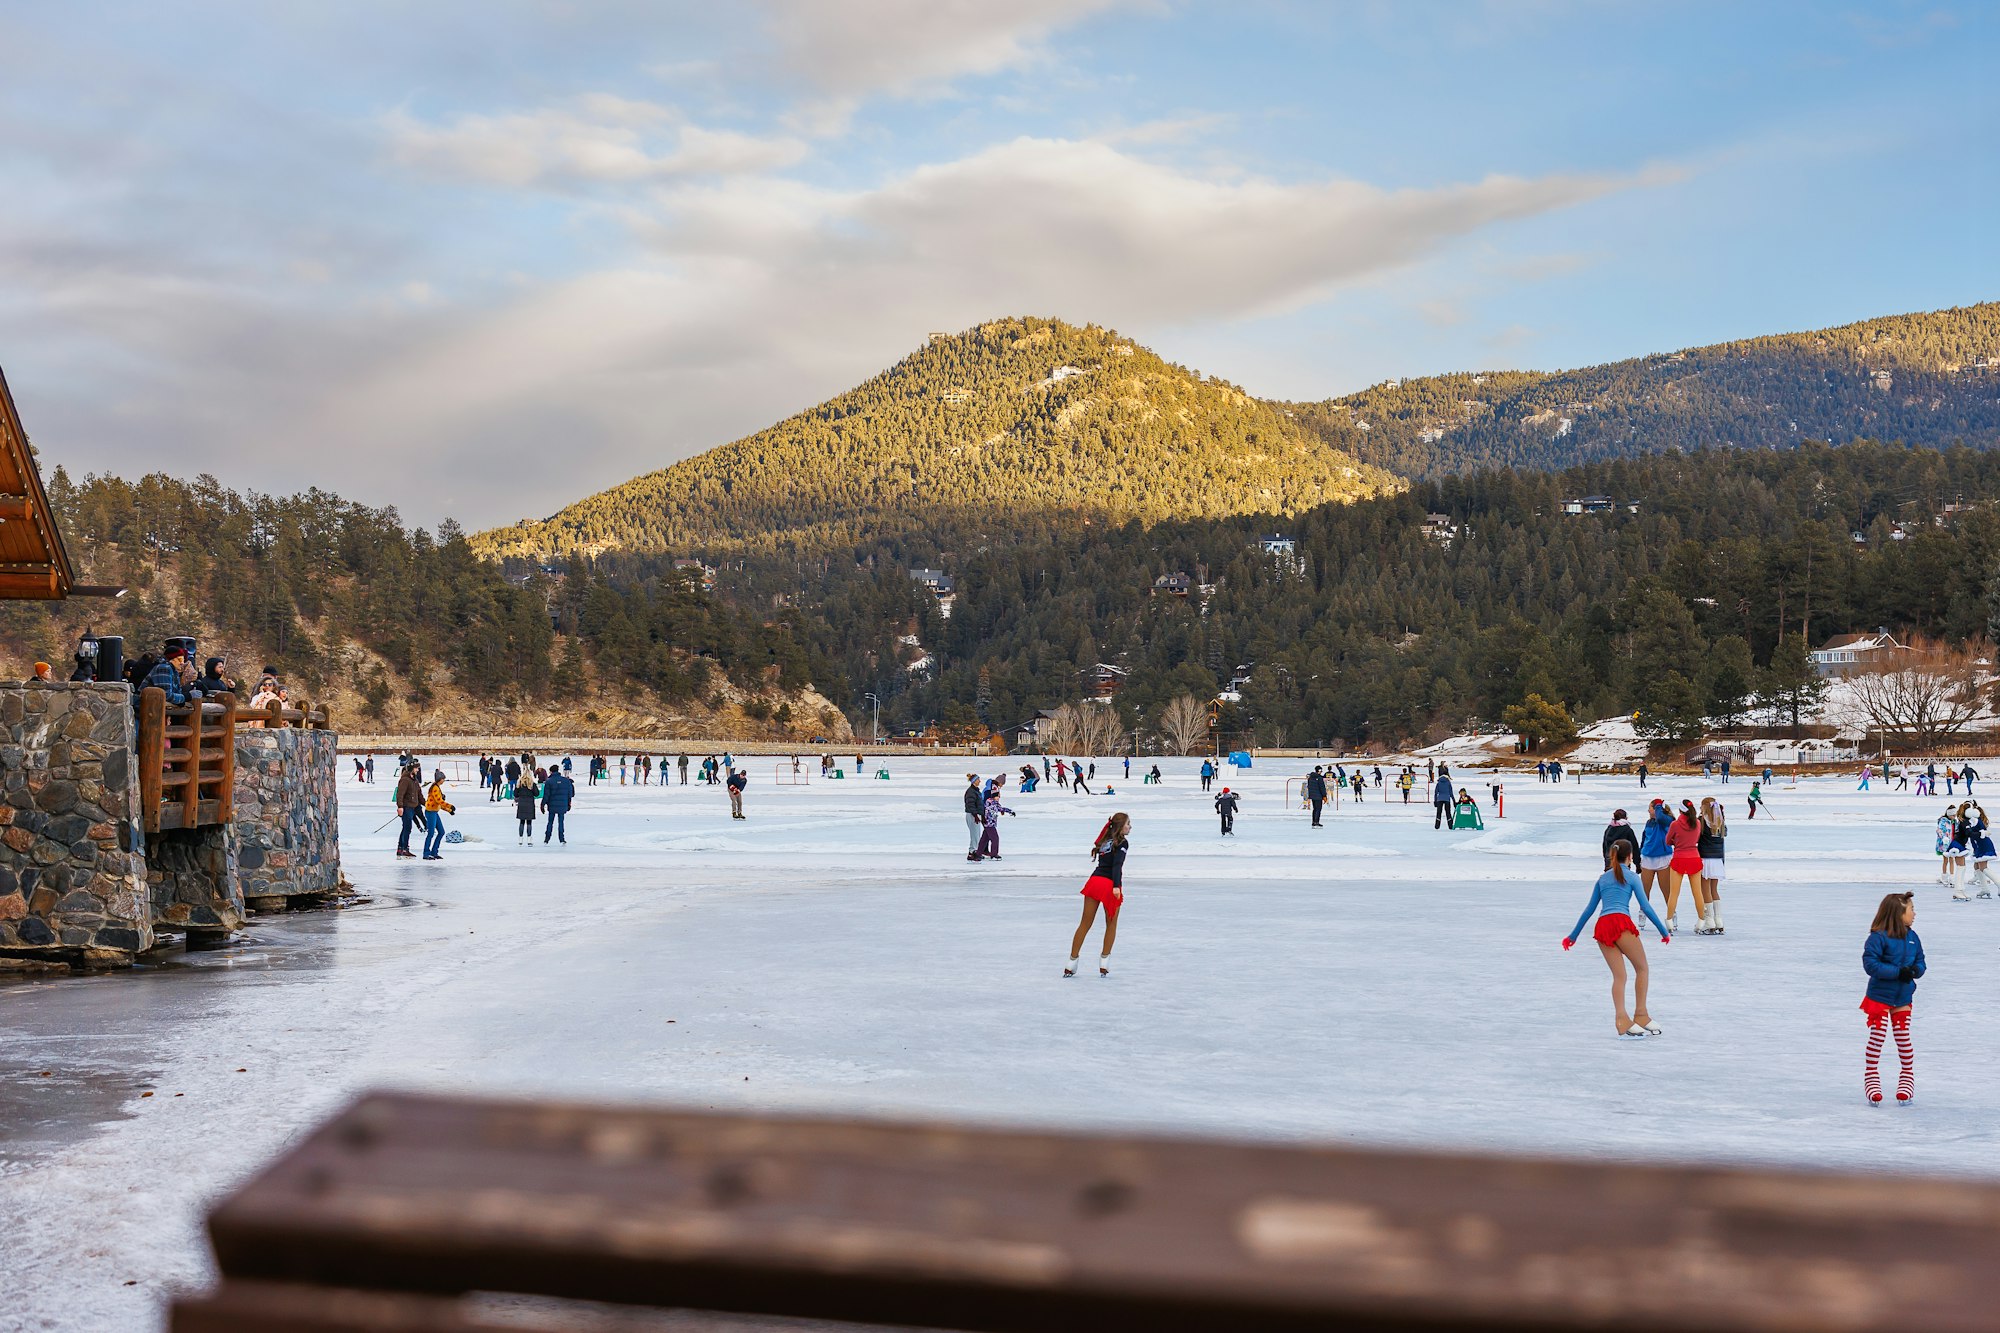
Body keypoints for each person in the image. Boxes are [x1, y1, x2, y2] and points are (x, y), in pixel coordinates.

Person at [1562, 841, 1670, 1038]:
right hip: (1620, 924)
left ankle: (1621, 1019)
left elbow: (1589, 909)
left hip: (1603, 926)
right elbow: (1645, 906)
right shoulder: (1631, 877)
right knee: (1642, 969)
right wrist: (1663, 931)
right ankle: (1641, 1014)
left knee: (1619, 977)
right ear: (1629, 857)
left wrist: (1573, 936)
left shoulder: (1602, 879)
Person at [1860, 891, 1923, 1105]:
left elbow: (1922, 961)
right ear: (1899, 913)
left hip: (1903, 996)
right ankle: (1871, 1076)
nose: (1915, 914)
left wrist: (1915, 970)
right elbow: (1871, 965)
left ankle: (1907, 1076)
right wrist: (1897, 972)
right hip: (1879, 996)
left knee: (1903, 1038)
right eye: (1911, 910)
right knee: (1878, 1036)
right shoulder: (1878, 937)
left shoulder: (1913, 937)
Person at [1066, 813, 1129, 978]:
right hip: (1109, 885)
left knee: (1084, 924)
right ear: (1120, 826)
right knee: (1111, 925)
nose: (1130, 827)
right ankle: (1104, 965)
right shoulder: (1122, 842)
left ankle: (1071, 963)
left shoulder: (1105, 841)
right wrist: (1116, 886)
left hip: (1094, 882)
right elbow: (1117, 865)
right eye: (1128, 824)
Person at [1663, 799, 1705, 933]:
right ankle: (1701, 920)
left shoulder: (1675, 824)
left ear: (1680, 811)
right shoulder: (1697, 823)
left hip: (1679, 858)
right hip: (1694, 857)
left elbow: (1668, 841)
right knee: (1697, 892)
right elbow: (1697, 838)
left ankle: (1669, 921)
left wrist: (1677, 841)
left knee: (1674, 893)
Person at [1695, 796, 1726, 934]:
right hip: (1718, 859)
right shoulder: (1720, 822)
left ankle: (1709, 922)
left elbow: (1696, 837)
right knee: (1714, 890)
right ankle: (1719, 920)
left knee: (1705, 890)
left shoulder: (1701, 821)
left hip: (1706, 858)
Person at [1638, 798, 1673, 913]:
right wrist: (1638, 857)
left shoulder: (1666, 821)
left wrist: (1658, 805)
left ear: (1657, 809)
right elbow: (1644, 840)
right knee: (1645, 891)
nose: (1648, 810)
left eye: (1650, 808)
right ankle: (1643, 912)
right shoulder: (1649, 822)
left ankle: (1671, 915)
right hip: (1647, 859)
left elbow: (1661, 818)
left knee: (1666, 890)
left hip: (1663, 859)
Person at [1964, 801, 1998, 898]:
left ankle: (1998, 883)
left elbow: (1971, 833)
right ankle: (1984, 889)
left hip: (1982, 845)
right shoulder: (1977, 818)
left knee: (1983, 867)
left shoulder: (1974, 820)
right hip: (1979, 845)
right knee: (1977, 866)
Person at [977, 779, 1015, 859]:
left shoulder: (993, 802)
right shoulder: (990, 802)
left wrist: (1010, 811)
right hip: (989, 823)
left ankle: (978, 853)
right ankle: (994, 854)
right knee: (995, 838)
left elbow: (1000, 808)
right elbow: (998, 808)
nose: (999, 798)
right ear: (994, 796)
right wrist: (1008, 811)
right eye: (998, 796)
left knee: (984, 839)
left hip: (989, 823)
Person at [422, 769, 455, 860]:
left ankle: (434, 852)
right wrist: (450, 806)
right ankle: (426, 853)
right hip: (430, 812)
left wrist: (449, 810)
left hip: (434, 812)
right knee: (431, 833)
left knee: (441, 832)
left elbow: (438, 804)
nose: (444, 780)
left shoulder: (437, 787)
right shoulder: (435, 788)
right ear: (440, 779)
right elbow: (439, 801)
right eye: (443, 778)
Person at [394, 761, 423, 858]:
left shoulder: (414, 780)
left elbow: (419, 795)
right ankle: (404, 849)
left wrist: (427, 804)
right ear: (411, 769)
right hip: (406, 808)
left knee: (406, 828)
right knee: (407, 828)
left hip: (412, 807)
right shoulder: (405, 780)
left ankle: (400, 848)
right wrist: (400, 807)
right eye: (416, 768)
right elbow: (400, 795)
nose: (418, 770)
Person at [1935, 804, 1966, 895]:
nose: (1954, 817)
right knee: (1945, 860)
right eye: (1953, 815)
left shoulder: (1955, 822)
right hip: (1944, 844)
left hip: (1952, 843)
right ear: (1948, 814)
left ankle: (1952, 877)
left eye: (1955, 815)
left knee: (1952, 859)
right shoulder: (1943, 821)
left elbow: (1957, 831)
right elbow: (1939, 830)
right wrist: (1943, 838)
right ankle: (1944, 877)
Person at [541, 764, 574, 844]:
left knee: (550, 822)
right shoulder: (565, 781)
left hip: (552, 805)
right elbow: (570, 794)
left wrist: (543, 805)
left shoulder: (549, 781)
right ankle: (561, 838)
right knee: (561, 822)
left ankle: (547, 838)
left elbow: (546, 795)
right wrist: (569, 803)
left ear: (551, 771)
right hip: (563, 804)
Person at [963, 773, 986, 860]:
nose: (980, 781)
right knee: (974, 834)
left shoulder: (976, 791)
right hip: (972, 815)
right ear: (974, 781)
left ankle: (975, 851)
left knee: (977, 834)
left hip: (976, 815)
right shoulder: (971, 792)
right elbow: (970, 804)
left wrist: (982, 815)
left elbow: (980, 804)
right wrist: (975, 815)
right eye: (978, 779)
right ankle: (972, 852)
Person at [513, 769, 540, 843]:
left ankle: (520, 838)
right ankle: (529, 838)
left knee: (521, 822)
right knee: (529, 822)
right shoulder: (532, 784)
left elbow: (515, 794)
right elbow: (537, 794)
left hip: (521, 804)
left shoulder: (520, 783)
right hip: (530, 804)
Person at [1432, 765, 1454, 830]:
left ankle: (1437, 826)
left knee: (1439, 812)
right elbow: (1451, 792)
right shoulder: (1448, 782)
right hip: (1447, 799)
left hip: (1439, 799)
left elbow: (1436, 792)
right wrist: (1453, 800)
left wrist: (1435, 800)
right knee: (1448, 813)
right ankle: (1450, 825)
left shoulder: (1439, 782)